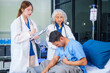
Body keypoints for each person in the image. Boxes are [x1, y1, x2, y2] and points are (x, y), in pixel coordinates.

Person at [10, 1, 40, 73]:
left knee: (32, 71)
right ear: (22, 9)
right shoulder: (16, 22)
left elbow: (36, 37)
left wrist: (36, 37)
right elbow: (16, 38)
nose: (30, 12)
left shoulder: (32, 22)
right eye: (28, 10)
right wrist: (29, 34)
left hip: (31, 53)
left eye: (31, 10)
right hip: (21, 53)